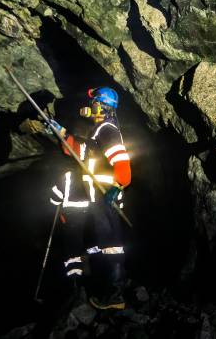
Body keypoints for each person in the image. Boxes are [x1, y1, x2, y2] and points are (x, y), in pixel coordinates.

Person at [46, 87, 131, 310]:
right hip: (97, 196)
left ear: (103, 106)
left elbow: (123, 165)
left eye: (94, 103)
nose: (91, 106)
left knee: (111, 244)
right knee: (104, 244)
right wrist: (61, 133)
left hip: (105, 195)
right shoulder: (98, 131)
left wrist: (117, 187)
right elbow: (80, 152)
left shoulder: (108, 130)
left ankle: (115, 295)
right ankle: (106, 290)